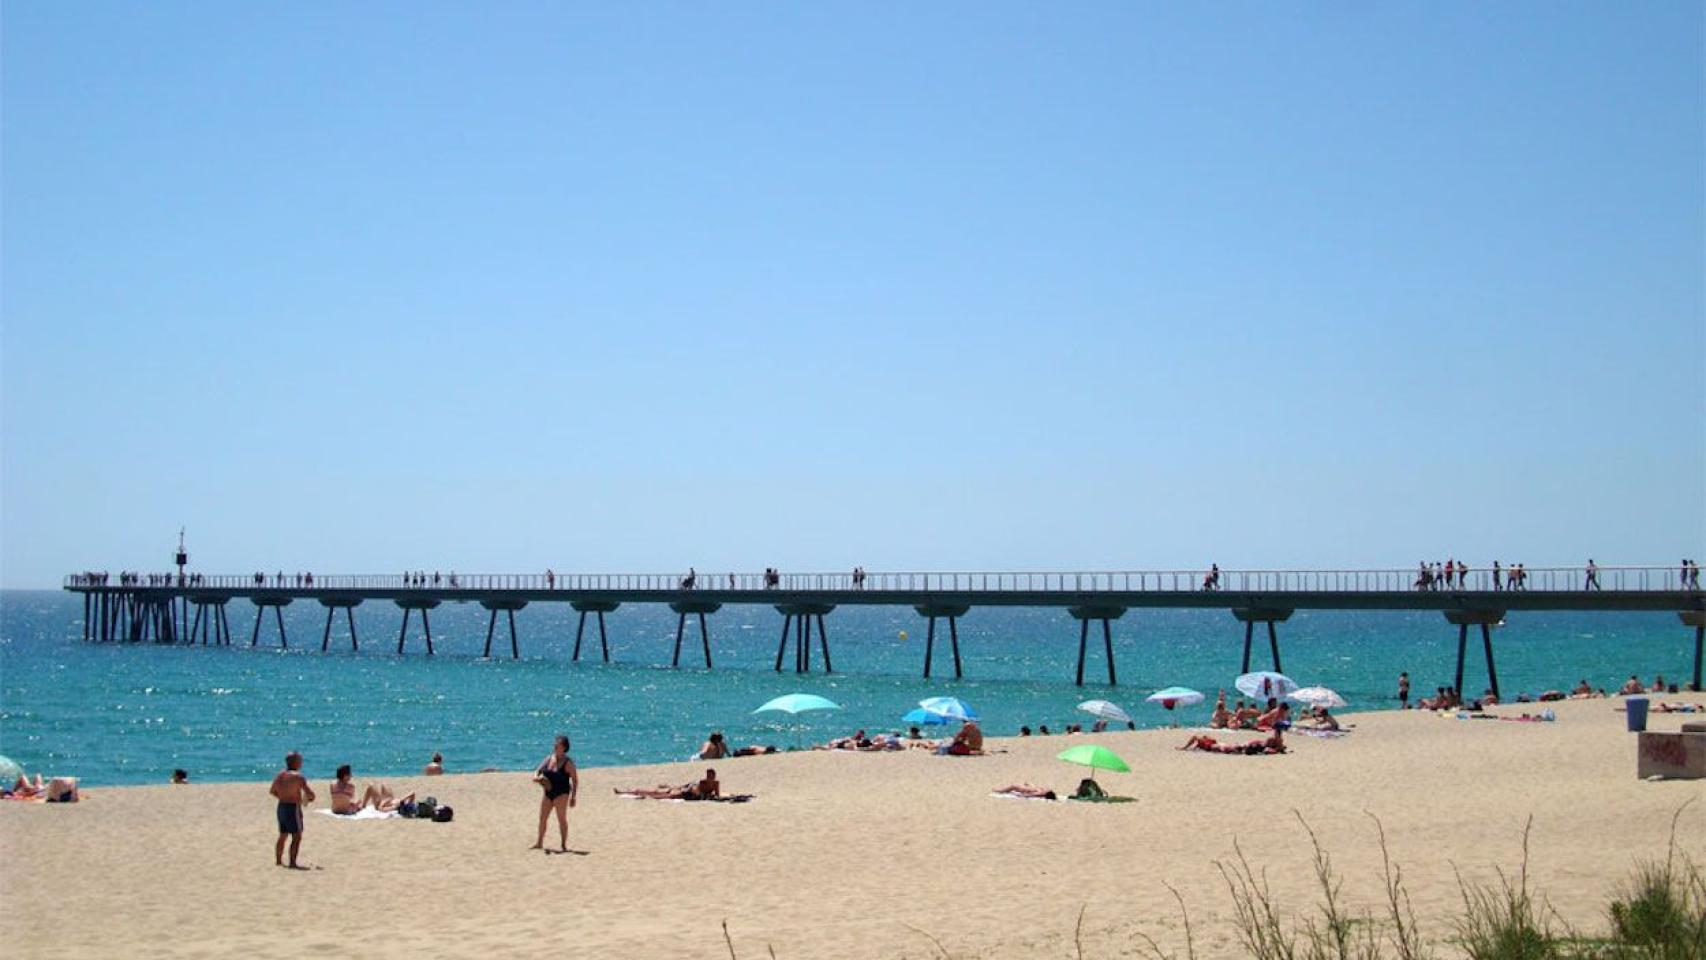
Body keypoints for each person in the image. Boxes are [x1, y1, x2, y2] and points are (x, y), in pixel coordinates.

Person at [269, 751, 315, 869]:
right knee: (297, 835)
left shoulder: (280, 775)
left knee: (283, 835)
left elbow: (272, 791)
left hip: (281, 806)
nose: (301, 763)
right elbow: (310, 794)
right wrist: (307, 798)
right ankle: (292, 862)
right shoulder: (298, 777)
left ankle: (278, 860)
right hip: (292, 807)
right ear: (295, 762)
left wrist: (283, 796)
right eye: (300, 760)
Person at [532, 735, 578, 853]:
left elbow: (575, 779)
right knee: (543, 817)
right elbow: (538, 769)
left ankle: (563, 845)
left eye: (557, 744)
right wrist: (536, 777)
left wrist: (573, 797)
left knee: (561, 819)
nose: (555, 746)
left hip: (561, 793)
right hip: (548, 792)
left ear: (564, 747)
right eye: (555, 744)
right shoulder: (549, 758)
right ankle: (539, 842)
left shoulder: (568, 763)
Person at [330, 765, 414, 815]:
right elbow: (351, 799)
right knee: (374, 787)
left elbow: (342, 798)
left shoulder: (332, 784)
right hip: (346, 811)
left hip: (335, 810)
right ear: (345, 776)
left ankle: (364, 804)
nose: (351, 776)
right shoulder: (350, 786)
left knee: (378, 787)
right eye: (350, 774)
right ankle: (364, 805)